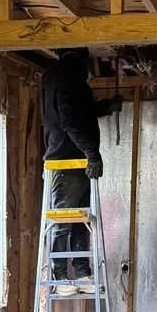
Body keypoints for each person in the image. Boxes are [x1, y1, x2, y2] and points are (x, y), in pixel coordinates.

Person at [41, 49, 121, 292]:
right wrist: (91, 152)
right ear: (80, 61)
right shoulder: (67, 82)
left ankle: (82, 274)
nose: (89, 70)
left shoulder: (66, 82)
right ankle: (61, 278)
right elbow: (70, 120)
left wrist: (105, 107)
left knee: (79, 222)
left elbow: (80, 114)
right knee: (64, 223)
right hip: (67, 163)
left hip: (77, 162)